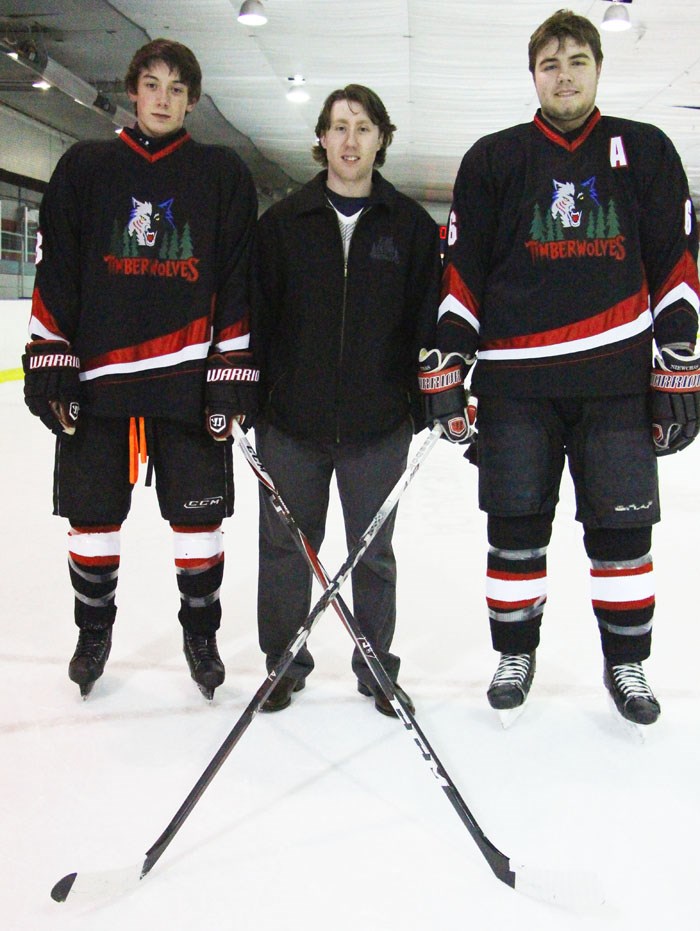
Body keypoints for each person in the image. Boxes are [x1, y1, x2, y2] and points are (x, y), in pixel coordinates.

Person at [419, 9, 700, 726]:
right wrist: (449, 360)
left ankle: (626, 664)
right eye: (551, 63)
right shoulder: (493, 159)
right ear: (534, 75)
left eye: (577, 60)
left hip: (616, 386)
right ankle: (515, 653)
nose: (564, 74)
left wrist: (679, 366)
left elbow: (676, 268)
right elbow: (463, 273)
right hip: (516, 389)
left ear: (598, 67)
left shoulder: (646, 151)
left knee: (622, 537)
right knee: (514, 530)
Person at [22, 38, 258, 700]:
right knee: (92, 517)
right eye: (152, 84)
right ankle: (93, 630)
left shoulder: (221, 174)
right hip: (100, 386)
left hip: (186, 382)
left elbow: (238, 279)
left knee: (198, 520)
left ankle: (200, 631)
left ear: (191, 99)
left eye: (176, 88)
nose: (162, 97)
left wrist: (231, 366)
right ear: (133, 91)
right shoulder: (85, 167)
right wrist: (50, 355)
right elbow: (57, 267)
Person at [250, 84, 441, 715]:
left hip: (377, 427)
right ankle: (284, 663)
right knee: (283, 551)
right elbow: (260, 318)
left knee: (373, 553)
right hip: (291, 424)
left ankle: (376, 667)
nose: (350, 140)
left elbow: (424, 324)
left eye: (362, 127)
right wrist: (256, 398)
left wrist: (416, 407)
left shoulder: (411, 227)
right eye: (338, 127)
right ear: (322, 139)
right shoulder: (282, 224)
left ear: (381, 138)